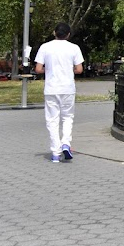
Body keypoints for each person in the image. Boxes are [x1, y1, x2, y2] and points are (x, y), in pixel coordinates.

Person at [34, 22, 84, 163]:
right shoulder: (74, 48)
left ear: (54, 33)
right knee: (67, 117)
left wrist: (48, 70)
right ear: (68, 34)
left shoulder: (45, 47)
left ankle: (55, 152)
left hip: (51, 88)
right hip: (68, 88)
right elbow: (79, 69)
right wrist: (69, 70)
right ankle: (66, 143)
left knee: (52, 120)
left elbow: (38, 69)